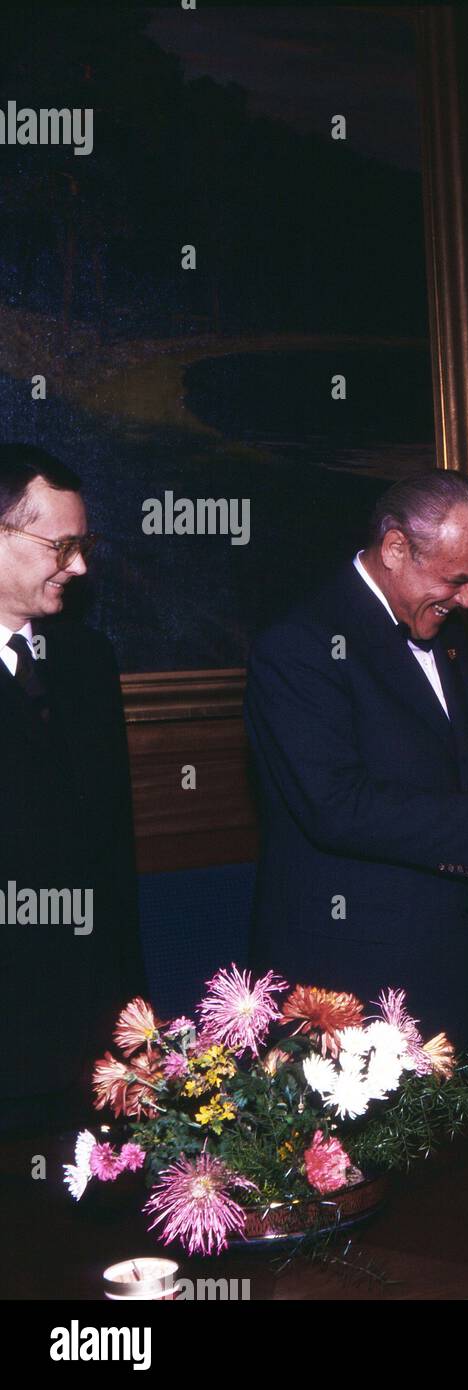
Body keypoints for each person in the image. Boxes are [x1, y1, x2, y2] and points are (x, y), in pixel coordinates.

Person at [245, 470, 468, 1055]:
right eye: (457, 580)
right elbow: (337, 807)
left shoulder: (442, 633)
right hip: (353, 988)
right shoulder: (299, 645)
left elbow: (461, 761)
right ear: (396, 549)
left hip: (459, 974)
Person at [0, 445, 144, 1130]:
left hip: (87, 1047)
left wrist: (135, 1026)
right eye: (62, 546)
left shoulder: (88, 660)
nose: (80, 566)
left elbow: (113, 859)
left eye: (83, 546)